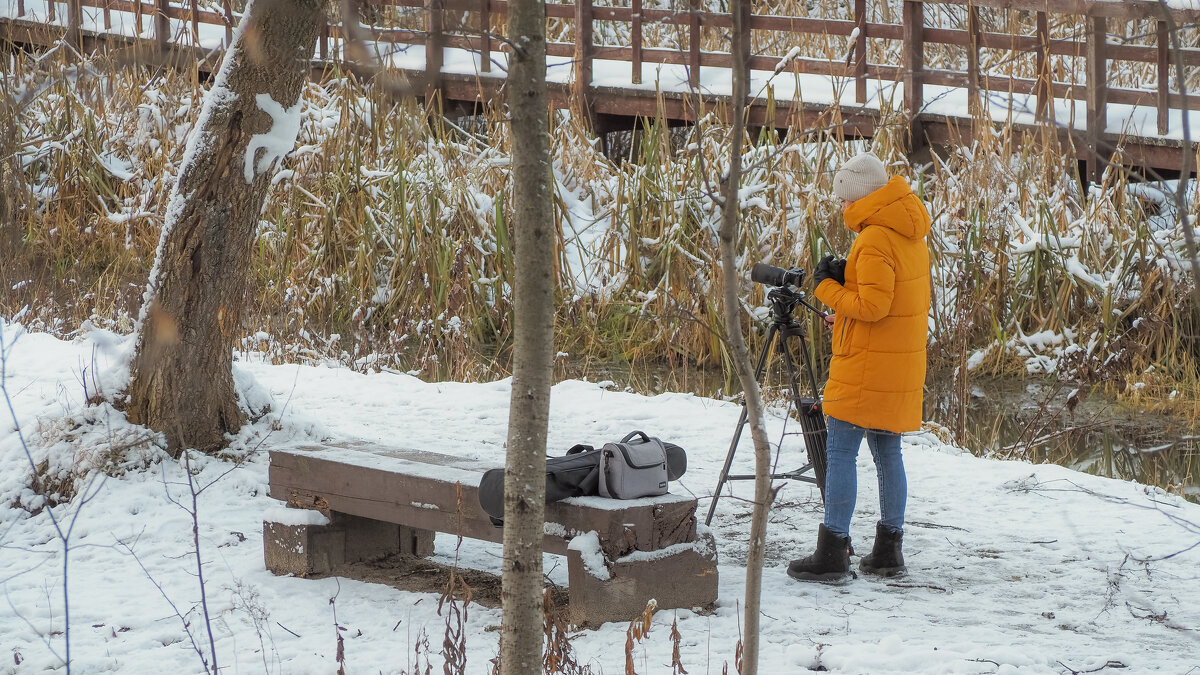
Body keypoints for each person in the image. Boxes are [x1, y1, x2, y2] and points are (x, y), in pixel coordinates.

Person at [787, 151, 931, 583]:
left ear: (861, 197)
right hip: (898, 361)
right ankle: (889, 551)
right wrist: (849, 278)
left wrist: (828, 287)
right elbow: (893, 298)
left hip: (867, 365)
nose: (842, 207)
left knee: (841, 449)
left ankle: (833, 550)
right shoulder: (908, 232)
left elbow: (872, 305)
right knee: (888, 452)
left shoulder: (872, 239)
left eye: (845, 200)